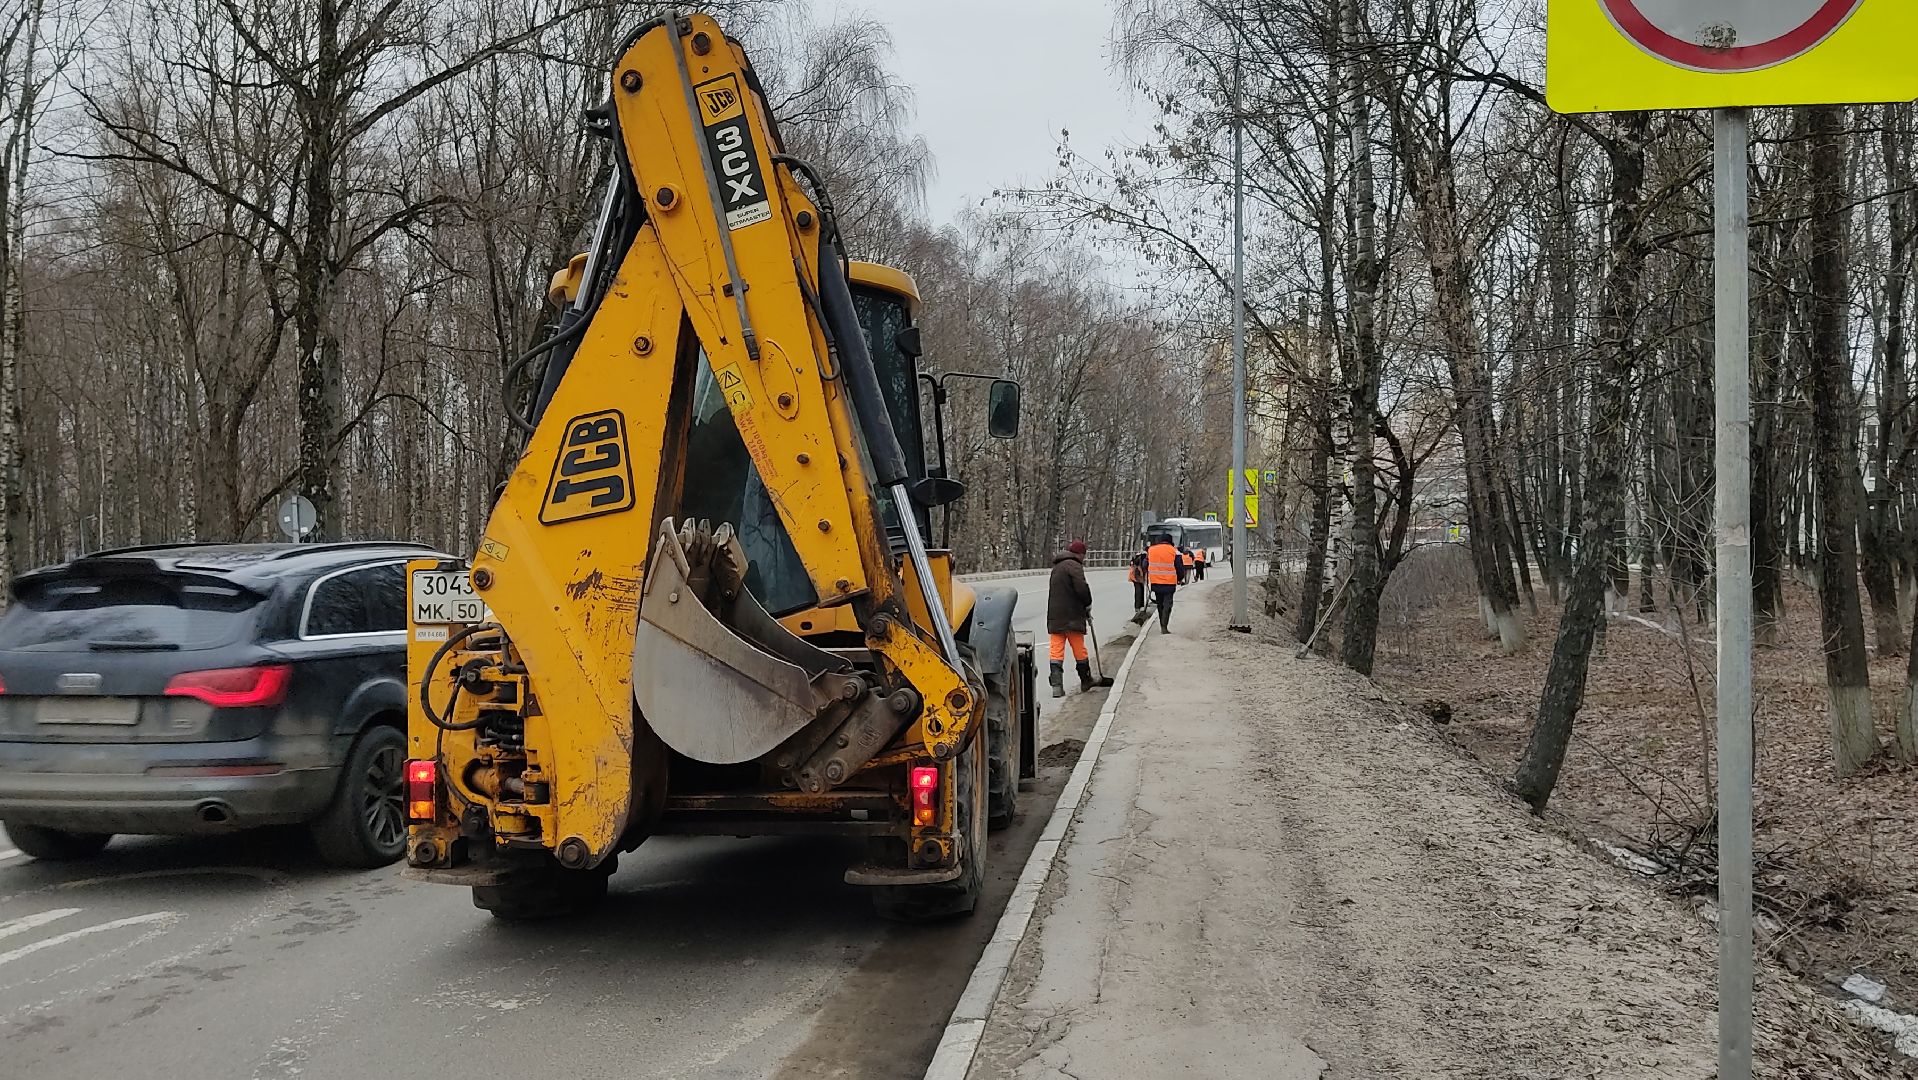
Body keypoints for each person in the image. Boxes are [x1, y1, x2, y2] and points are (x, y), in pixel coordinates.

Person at [1048, 540, 1095, 697]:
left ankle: (1056, 686)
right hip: (1072, 616)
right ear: (1080, 554)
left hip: (1055, 616)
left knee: (1056, 650)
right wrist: (1087, 604)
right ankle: (1086, 679)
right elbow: (1081, 588)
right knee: (1079, 648)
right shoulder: (1074, 566)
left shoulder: (1057, 567)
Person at [1147, 534, 1181, 634]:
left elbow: (1145, 564)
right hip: (1169, 583)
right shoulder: (1174, 551)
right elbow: (1179, 567)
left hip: (1155, 582)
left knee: (1160, 603)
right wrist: (1180, 578)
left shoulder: (1151, 550)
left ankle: (1162, 623)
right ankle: (1164, 626)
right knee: (1167, 604)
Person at [1128, 547, 1148, 614]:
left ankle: (1139, 606)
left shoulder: (1139, 557)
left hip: (1137, 576)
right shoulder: (1143, 557)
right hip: (1137, 576)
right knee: (1139, 591)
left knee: (1139, 590)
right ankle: (1138, 606)